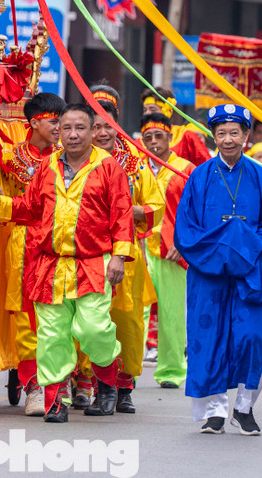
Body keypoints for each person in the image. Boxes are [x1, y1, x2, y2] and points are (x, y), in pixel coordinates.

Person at [0, 103, 135, 422]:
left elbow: (122, 213)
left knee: (92, 329)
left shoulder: (108, 167)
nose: (74, 134)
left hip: (92, 262)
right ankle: (54, 402)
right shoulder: (47, 167)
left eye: (81, 128)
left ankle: (106, 382)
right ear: (59, 133)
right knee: (52, 335)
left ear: (93, 132)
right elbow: (33, 208)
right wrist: (1, 203)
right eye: (67, 128)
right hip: (48, 264)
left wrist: (119, 256)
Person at [175, 104, 262, 437]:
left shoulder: (260, 176)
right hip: (208, 275)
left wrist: (241, 247)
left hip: (248, 273)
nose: (227, 139)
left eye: (234, 133)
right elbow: (186, 230)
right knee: (209, 339)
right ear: (213, 136)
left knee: (252, 338)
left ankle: (244, 407)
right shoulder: (199, 176)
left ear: (246, 136)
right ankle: (214, 411)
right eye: (221, 133)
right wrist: (224, 248)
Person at [90, 85, 163, 414]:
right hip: (86, 254)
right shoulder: (75, 159)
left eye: (108, 124)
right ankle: (92, 384)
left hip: (126, 257)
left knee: (127, 322)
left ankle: (123, 386)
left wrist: (124, 209)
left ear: (117, 124)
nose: (102, 132)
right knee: (91, 320)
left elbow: (154, 206)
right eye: (95, 125)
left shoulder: (136, 164)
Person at [0, 91, 66, 415]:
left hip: (60, 244)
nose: (60, 127)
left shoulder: (67, 158)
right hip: (24, 244)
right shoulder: (9, 159)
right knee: (26, 318)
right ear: (35, 123)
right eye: (55, 122)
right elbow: (2, 202)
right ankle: (34, 386)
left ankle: (64, 381)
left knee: (59, 316)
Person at [140, 112, 195, 388]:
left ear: (170, 137)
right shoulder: (136, 167)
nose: (153, 142)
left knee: (171, 313)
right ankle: (123, 373)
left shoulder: (185, 169)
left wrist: (183, 243)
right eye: (147, 137)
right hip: (138, 246)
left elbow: (196, 212)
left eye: (158, 136)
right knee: (133, 311)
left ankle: (172, 370)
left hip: (171, 250)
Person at [142, 86, 211, 165]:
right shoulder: (138, 143)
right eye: (145, 110)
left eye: (152, 109)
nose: (147, 113)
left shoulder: (186, 136)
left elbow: (209, 168)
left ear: (168, 110)